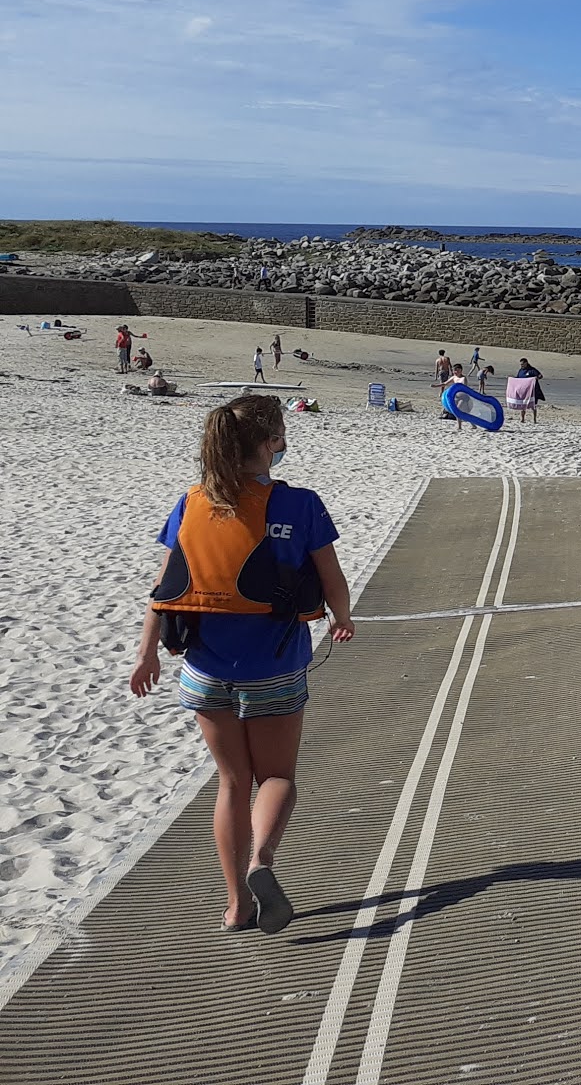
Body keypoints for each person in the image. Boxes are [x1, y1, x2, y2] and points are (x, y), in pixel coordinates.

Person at [127, 394, 354, 933]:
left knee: (231, 782)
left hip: (205, 672)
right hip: (274, 668)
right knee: (276, 777)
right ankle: (262, 861)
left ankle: (236, 906)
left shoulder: (191, 502)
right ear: (271, 443)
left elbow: (164, 588)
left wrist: (145, 654)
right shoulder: (300, 504)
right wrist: (342, 618)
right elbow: (332, 579)